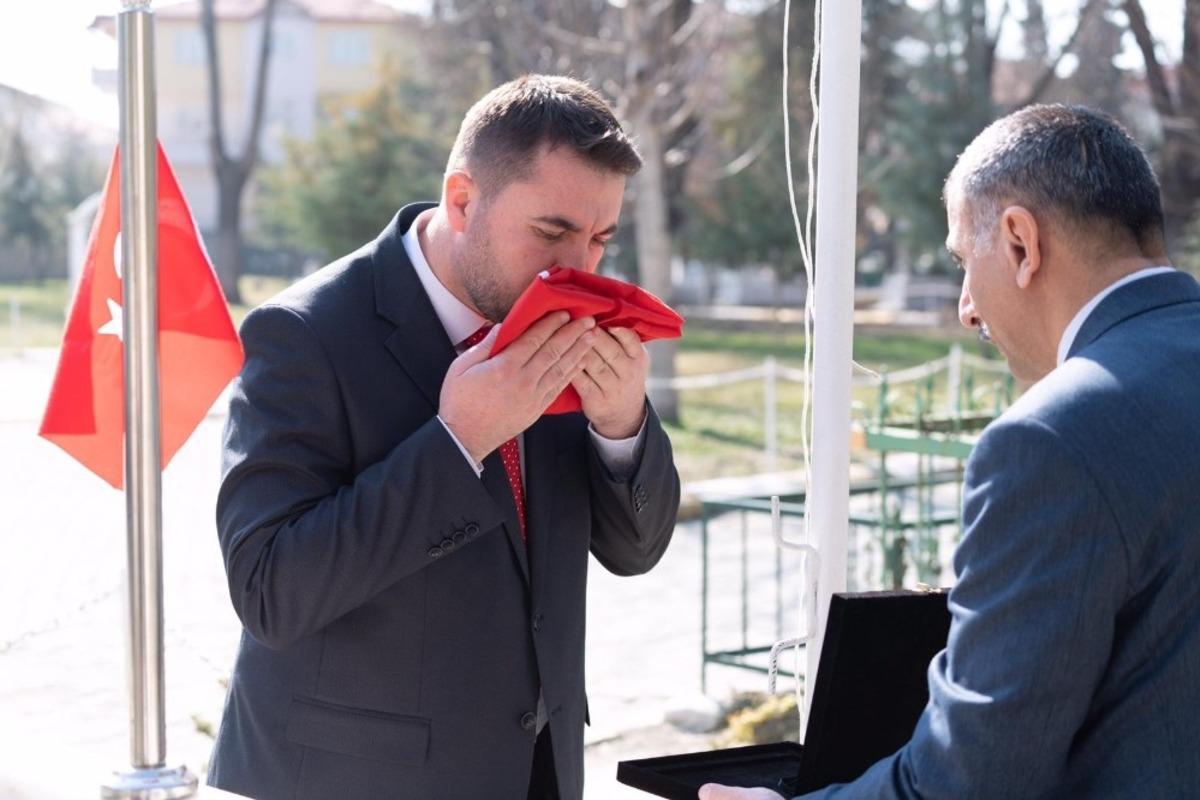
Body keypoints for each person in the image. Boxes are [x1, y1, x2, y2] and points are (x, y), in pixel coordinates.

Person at [701, 104, 1200, 800]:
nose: (968, 308)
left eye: (967, 259)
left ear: (1022, 244)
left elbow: (971, 782)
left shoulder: (1052, 439)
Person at [208, 74, 681, 800]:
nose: (581, 270)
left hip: (535, 775)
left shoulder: (561, 316)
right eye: (553, 232)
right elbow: (272, 592)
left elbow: (635, 552)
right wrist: (458, 441)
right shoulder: (303, 334)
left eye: (601, 239)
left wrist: (621, 429)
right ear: (462, 200)